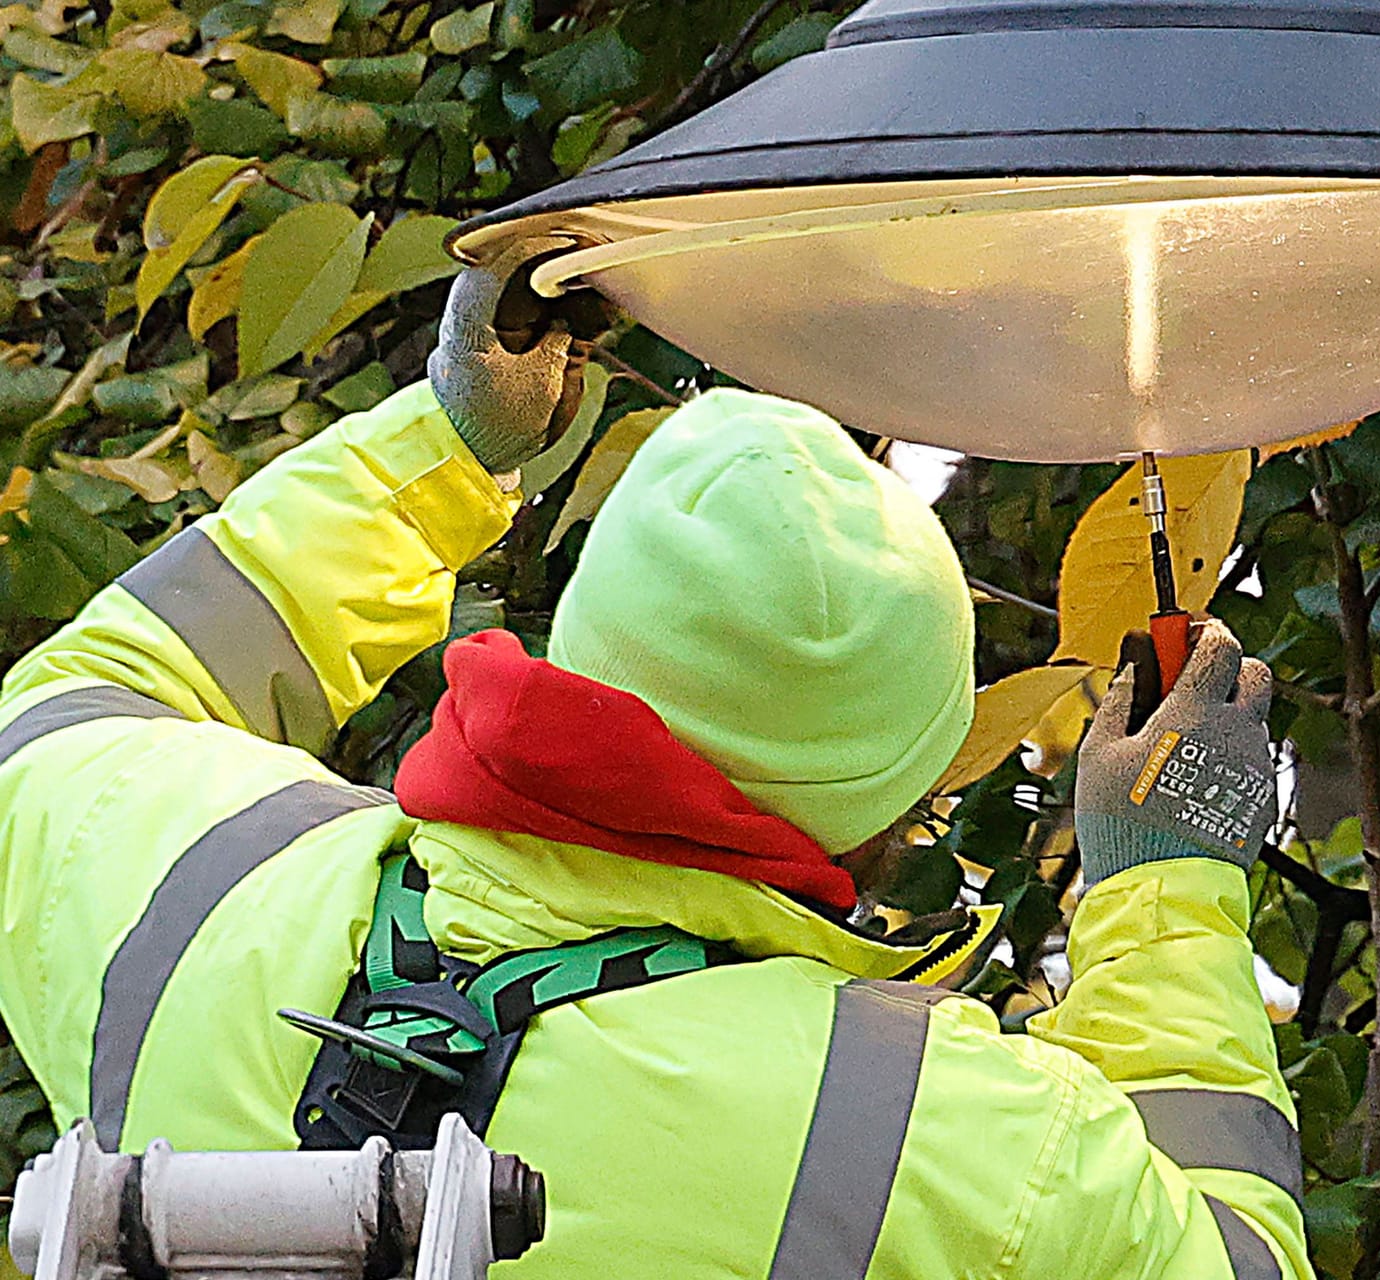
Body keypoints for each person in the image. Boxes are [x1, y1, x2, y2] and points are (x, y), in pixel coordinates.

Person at [0, 245, 1309, 1280]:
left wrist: (443, 450)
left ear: (585, 651)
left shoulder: (192, 885)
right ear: (902, 801)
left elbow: (68, 707)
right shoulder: (957, 1147)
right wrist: (1171, 888)